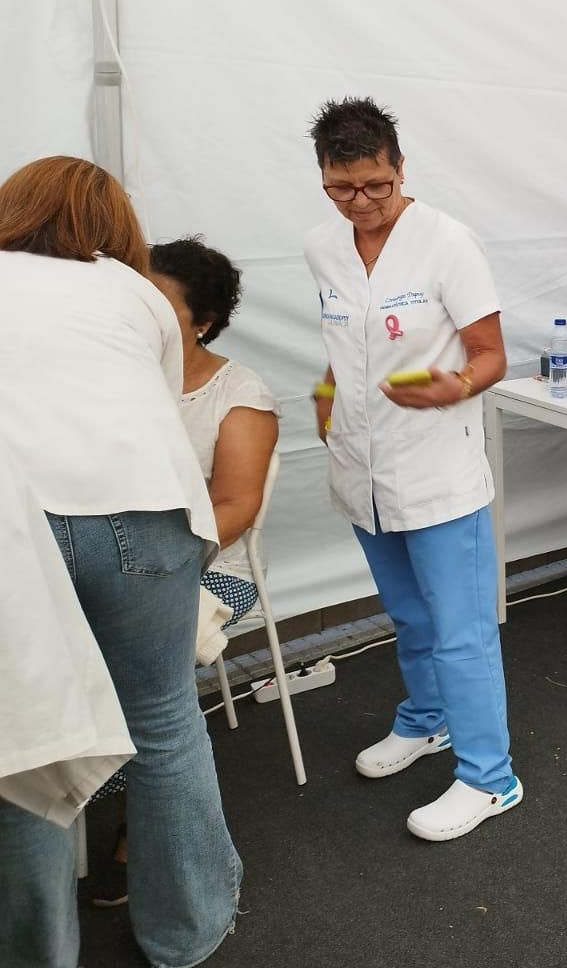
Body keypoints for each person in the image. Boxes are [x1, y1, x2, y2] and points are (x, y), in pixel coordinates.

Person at [0, 157, 241, 968]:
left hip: (20, 523)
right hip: (148, 509)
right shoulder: (136, 291)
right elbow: (158, 401)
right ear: (115, 226)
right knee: (166, 720)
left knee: (29, 736)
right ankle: (189, 931)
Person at [302, 98, 519, 839]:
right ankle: (427, 721)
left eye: (375, 186)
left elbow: (491, 355)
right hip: (361, 466)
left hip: (436, 473)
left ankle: (490, 777)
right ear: (324, 177)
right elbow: (345, 351)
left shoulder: (448, 243)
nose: (360, 203)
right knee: (409, 617)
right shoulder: (322, 250)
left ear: (400, 169)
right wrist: (326, 395)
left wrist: (453, 386)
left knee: (461, 631)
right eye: (341, 187)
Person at [89, 237, 281, 908]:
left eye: (159, 302)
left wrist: (151, 562)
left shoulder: (239, 394)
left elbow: (236, 506)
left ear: (202, 320)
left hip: (207, 566)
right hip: (112, 555)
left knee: (129, 673)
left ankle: (132, 822)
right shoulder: (109, 375)